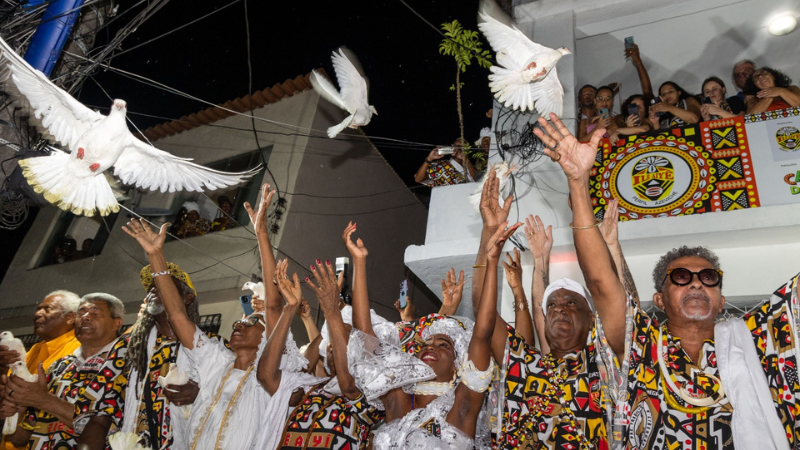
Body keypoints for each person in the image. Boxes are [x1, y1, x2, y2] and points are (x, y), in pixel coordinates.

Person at [534, 112, 800, 450]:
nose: (696, 284)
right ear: (659, 299)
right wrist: (578, 184)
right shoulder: (643, 345)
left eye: (708, 278)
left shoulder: (760, 339)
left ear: (720, 300)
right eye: (681, 277)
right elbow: (601, 282)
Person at [471, 172, 627, 449]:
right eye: (552, 305)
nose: (559, 310)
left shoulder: (605, 363)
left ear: (592, 319)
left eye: (570, 303)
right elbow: (483, 313)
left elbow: (616, 300)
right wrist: (488, 236)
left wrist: (610, 247)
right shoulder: (523, 362)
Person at [345, 215, 517, 449]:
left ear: (459, 365)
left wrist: (492, 259)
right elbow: (365, 335)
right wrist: (359, 261)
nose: (430, 346)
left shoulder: (463, 405)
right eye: (425, 344)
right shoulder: (398, 398)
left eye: (443, 345)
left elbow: (483, 333)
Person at [73, 263, 202, 450]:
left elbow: (231, 398)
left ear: (188, 297)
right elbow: (99, 415)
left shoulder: (211, 347)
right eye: (150, 288)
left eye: (163, 285)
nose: (153, 291)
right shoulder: (128, 348)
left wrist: (202, 395)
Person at [272, 252, 383, 450]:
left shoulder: (374, 396)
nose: (334, 344)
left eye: (344, 337)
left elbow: (349, 387)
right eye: (332, 341)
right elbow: (268, 377)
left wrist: (333, 312)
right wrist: (290, 307)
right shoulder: (311, 388)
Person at [2, 293, 124, 450]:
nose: (85, 317)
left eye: (95, 312)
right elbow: (20, 439)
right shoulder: (58, 366)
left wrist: (42, 400)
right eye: (81, 312)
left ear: (117, 323)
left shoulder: (126, 363)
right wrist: (18, 410)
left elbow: (111, 430)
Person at [0, 291, 81, 450]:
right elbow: (8, 393)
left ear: (71, 317)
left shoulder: (81, 350)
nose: (37, 314)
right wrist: (2, 368)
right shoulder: (32, 351)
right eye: (38, 309)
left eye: (47, 309)